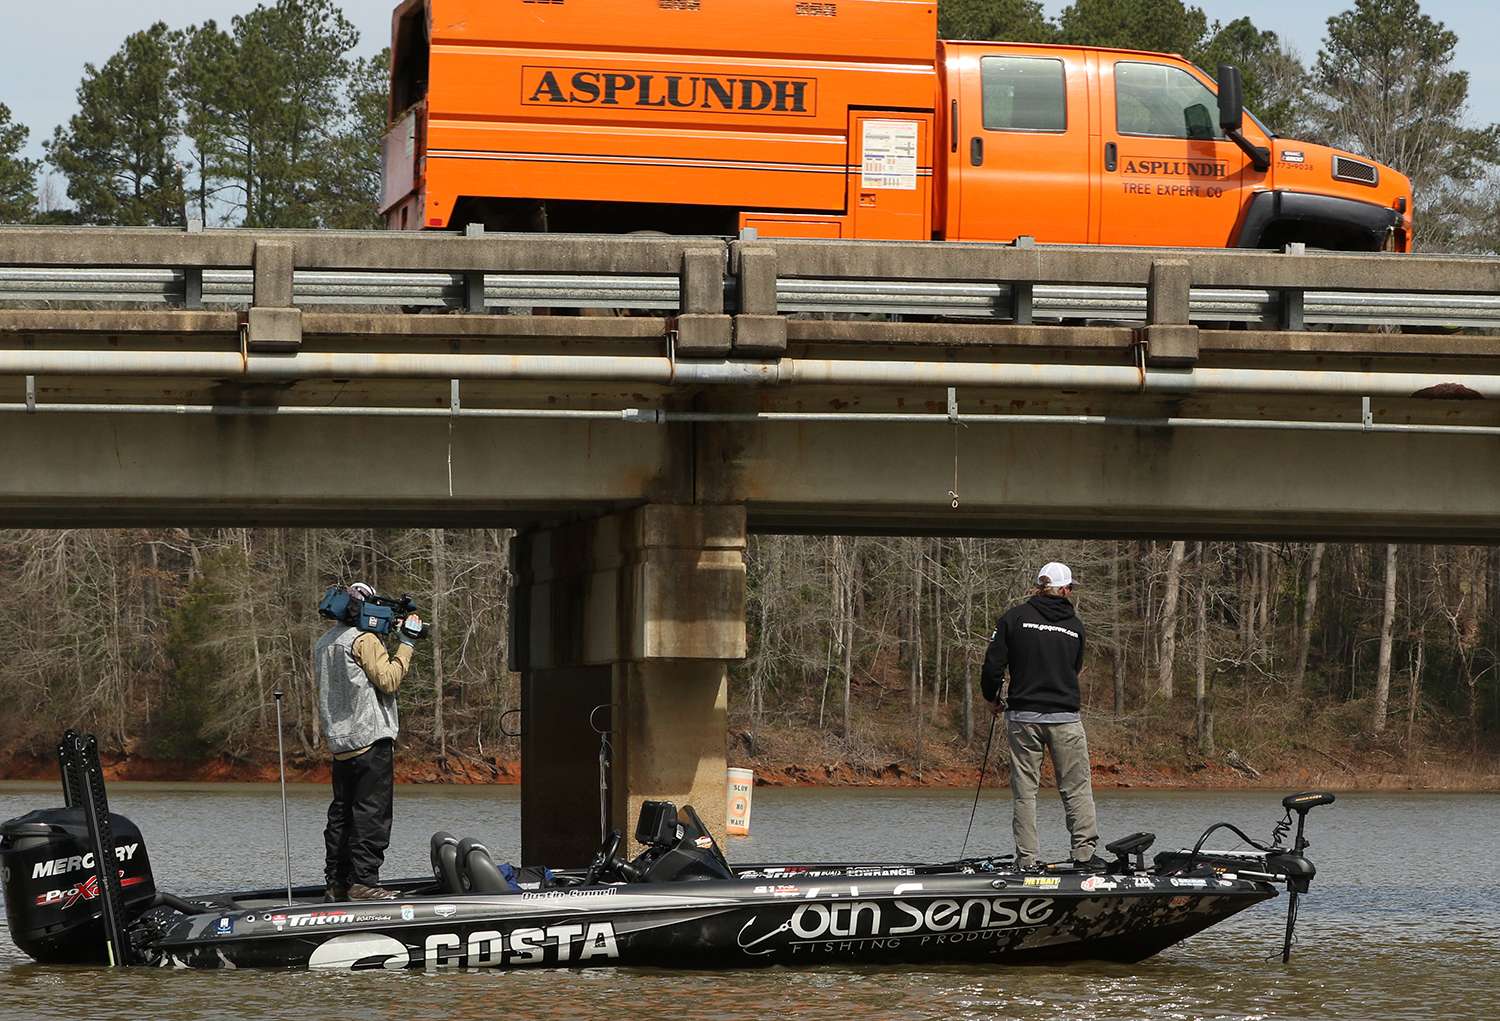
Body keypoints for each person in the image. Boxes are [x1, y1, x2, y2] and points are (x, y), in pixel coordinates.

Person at [979, 562, 1103, 871]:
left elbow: (993, 665)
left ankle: (1027, 860)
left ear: (1039, 587)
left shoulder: (1013, 618)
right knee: (1076, 789)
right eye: (1070, 588)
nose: (1071, 592)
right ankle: (1084, 856)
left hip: (1023, 718)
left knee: (1025, 793)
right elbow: (1075, 668)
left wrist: (991, 697)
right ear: (1064, 590)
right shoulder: (1075, 626)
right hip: (1065, 718)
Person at [314, 582, 423, 901]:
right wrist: (406, 642)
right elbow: (388, 681)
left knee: (341, 815)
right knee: (371, 814)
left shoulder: (325, 642)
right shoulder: (364, 640)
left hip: (341, 743)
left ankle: (337, 882)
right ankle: (364, 882)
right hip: (370, 740)